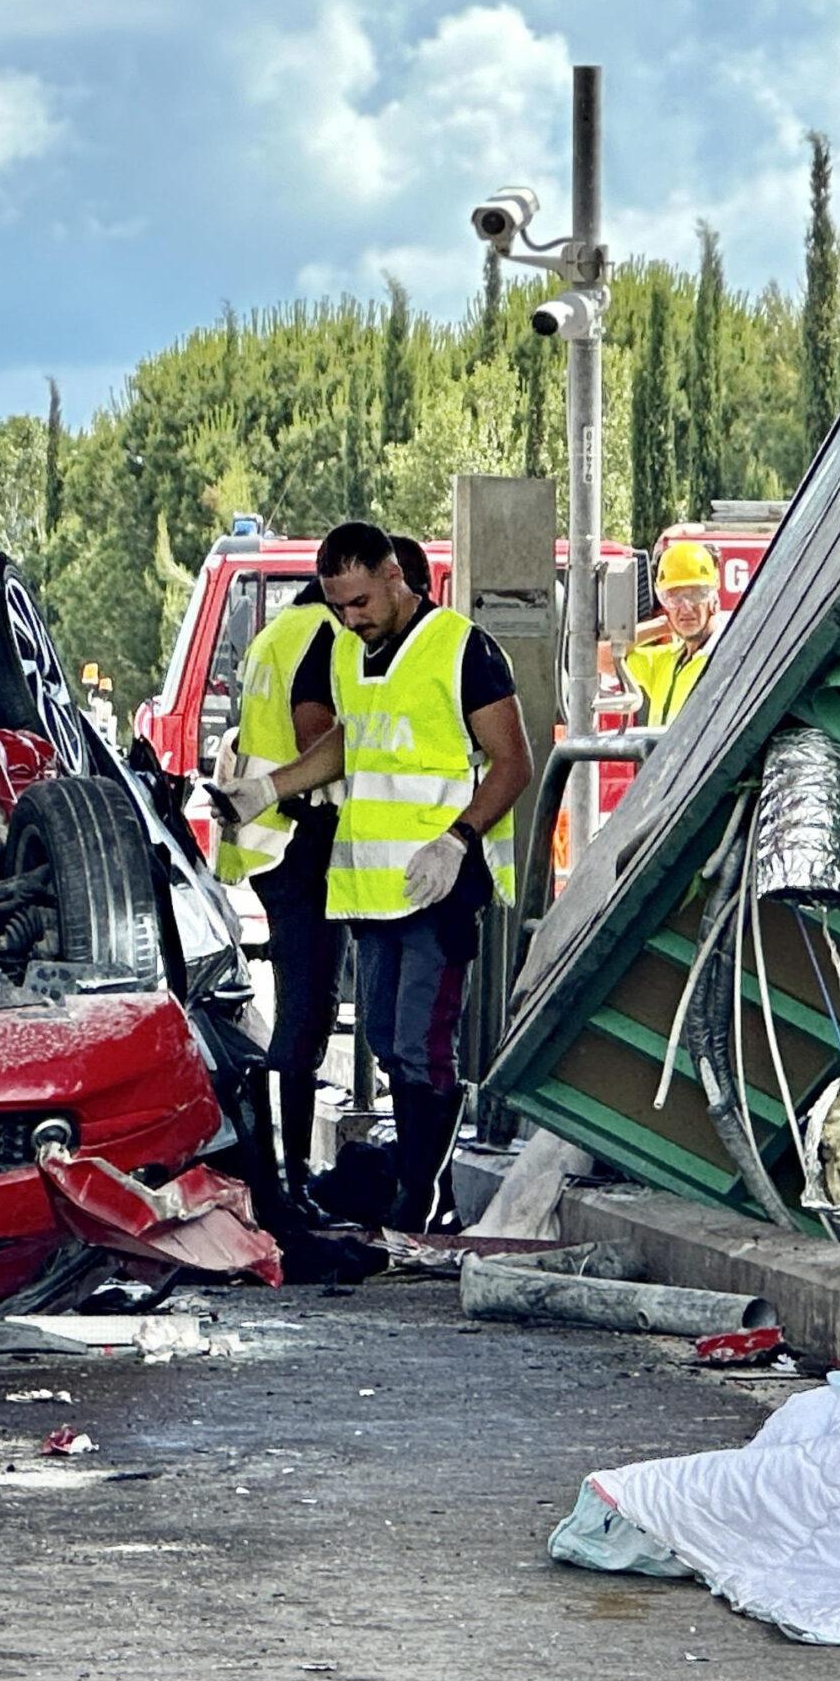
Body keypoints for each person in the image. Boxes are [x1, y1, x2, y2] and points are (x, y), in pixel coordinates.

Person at [212, 522, 531, 1233]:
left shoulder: (462, 649)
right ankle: (418, 1186)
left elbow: (513, 760)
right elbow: (347, 745)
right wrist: (267, 790)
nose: (348, 618)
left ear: (395, 576)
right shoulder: (350, 656)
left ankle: (417, 1200)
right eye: (338, 605)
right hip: (373, 889)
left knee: (422, 1045)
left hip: (441, 886)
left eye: (358, 601)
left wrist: (458, 839)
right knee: (387, 1039)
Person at [212, 577, 341, 1216]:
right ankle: (289, 1183)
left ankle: (284, 1176)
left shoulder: (273, 634)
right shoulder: (324, 634)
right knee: (306, 1014)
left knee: (298, 1007)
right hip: (301, 837)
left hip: (269, 842)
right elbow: (317, 733)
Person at [626, 536, 723, 728]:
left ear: (713, 598)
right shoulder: (665, 663)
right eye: (673, 597)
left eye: (696, 594)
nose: (686, 607)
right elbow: (601, 657)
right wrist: (664, 624)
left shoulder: (728, 658)